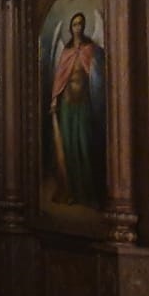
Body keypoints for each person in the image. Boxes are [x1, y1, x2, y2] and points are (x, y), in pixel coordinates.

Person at [49, 11, 105, 208]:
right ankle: (71, 191)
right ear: (70, 28)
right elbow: (60, 78)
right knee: (69, 147)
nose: (78, 27)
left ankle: (87, 193)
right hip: (67, 103)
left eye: (80, 24)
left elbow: (97, 77)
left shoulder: (91, 50)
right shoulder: (66, 52)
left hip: (84, 103)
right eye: (75, 24)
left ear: (84, 26)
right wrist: (54, 99)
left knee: (84, 145)